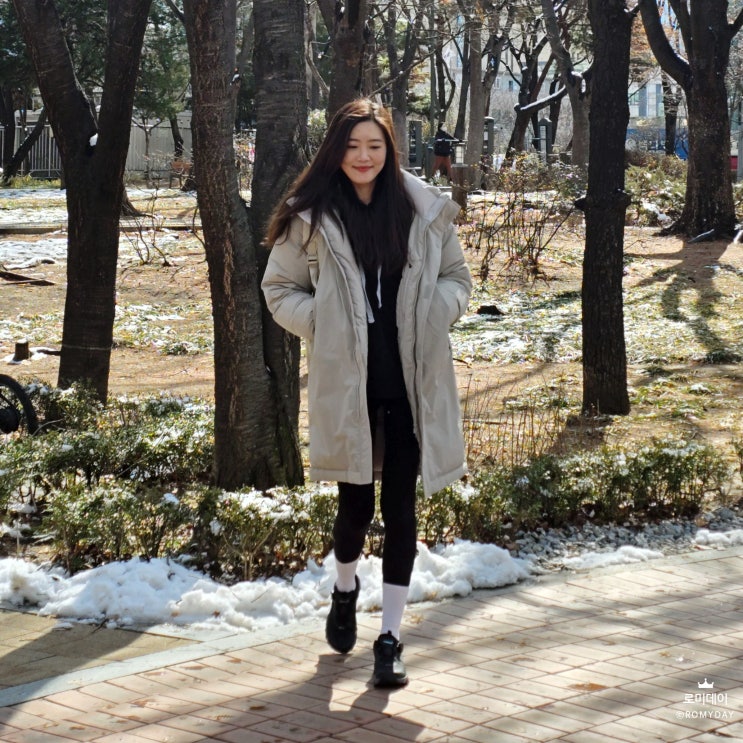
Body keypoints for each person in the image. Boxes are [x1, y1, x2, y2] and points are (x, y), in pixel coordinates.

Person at [261, 98, 472, 688]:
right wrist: (324, 324)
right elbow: (278, 289)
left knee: (402, 511)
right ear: (337, 151)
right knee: (354, 510)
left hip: (411, 384)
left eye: (374, 146)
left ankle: (390, 639)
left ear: (389, 150)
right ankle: (344, 587)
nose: (363, 157)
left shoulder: (422, 209)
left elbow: (457, 278)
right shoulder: (312, 215)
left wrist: (434, 312)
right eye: (353, 146)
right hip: (349, 387)